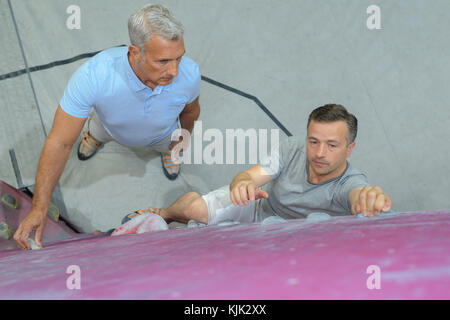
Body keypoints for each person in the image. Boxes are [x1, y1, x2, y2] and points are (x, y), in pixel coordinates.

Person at [14, 4, 201, 249]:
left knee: (171, 146)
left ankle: (168, 152)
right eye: (163, 61)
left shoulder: (189, 74)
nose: (175, 71)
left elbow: (191, 111)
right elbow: (60, 142)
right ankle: (94, 138)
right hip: (108, 129)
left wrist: (179, 142)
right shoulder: (94, 76)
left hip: (162, 135)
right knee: (96, 131)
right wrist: (39, 208)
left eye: (179, 57)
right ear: (135, 52)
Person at [116, 104, 392, 232]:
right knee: (193, 210)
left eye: (332, 145)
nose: (319, 153)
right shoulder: (292, 148)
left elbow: (361, 194)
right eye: (314, 141)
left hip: (293, 237)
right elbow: (250, 176)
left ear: (349, 148)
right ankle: (162, 214)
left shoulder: (351, 182)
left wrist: (368, 198)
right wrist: (242, 185)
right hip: (259, 209)